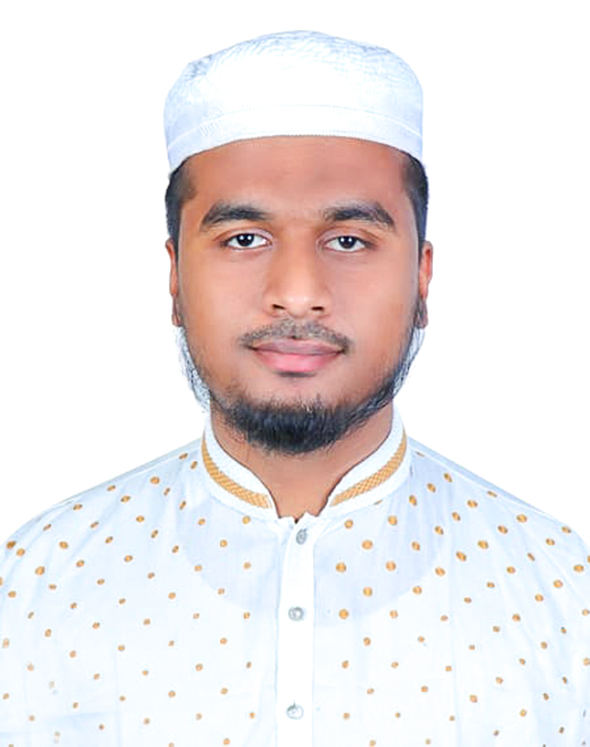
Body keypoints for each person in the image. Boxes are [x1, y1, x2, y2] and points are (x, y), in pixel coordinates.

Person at [0, 29, 588, 747]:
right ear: (175, 277)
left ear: (423, 278)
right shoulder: (33, 588)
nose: (299, 292)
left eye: (349, 240)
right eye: (245, 238)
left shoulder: (565, 595)